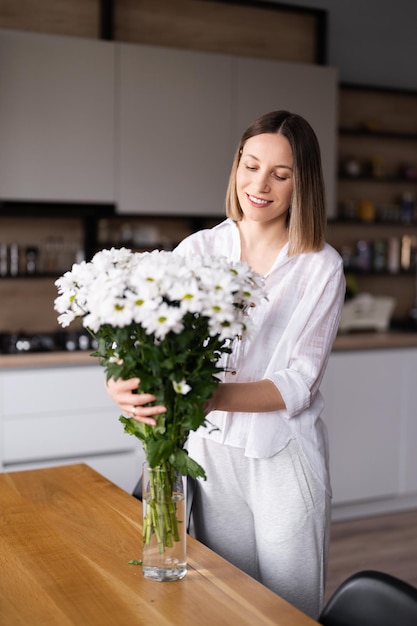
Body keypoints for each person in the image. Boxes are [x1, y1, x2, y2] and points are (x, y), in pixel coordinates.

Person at [106, 110, 346, 619]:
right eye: (251, 166)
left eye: (281, 175)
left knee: (287, 610)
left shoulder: (320, 266)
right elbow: (152, 330)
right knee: (224, 605)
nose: (260, 185)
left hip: (280, 458)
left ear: (303, 185)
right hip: (209, 454)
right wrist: (122, 378)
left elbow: (300, 382)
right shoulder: (200, 249)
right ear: (236, 164)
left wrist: (208, 396)